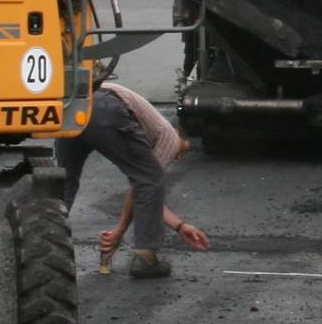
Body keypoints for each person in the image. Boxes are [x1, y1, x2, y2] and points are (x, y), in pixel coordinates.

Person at [57, 80, 211, 279]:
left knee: (63, 180)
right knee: (150, 177)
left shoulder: (149, 123)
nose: (179, 157)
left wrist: (180, 226)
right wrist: (119, 232)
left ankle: (45, 240)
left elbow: (146, 197)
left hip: (72, 105)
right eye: (185, 150)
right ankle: (146, 257)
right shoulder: (169, 136)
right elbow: (144, 185)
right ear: (180, 134)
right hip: (105, 108)